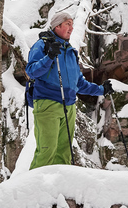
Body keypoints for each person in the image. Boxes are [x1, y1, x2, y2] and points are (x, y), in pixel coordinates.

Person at [26, 11, 114, 169]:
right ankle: (35, 190)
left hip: (69, 107)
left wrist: (101, 90)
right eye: (68, 24)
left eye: (72, 25)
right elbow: (31, 71)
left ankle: (60, 190)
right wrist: (50, 56)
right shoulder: (42, 45)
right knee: (47, 151)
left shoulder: (70, 51)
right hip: (47, 103)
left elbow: (79, 83)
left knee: (64, 152)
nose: (71, 28)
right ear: (57, 26)